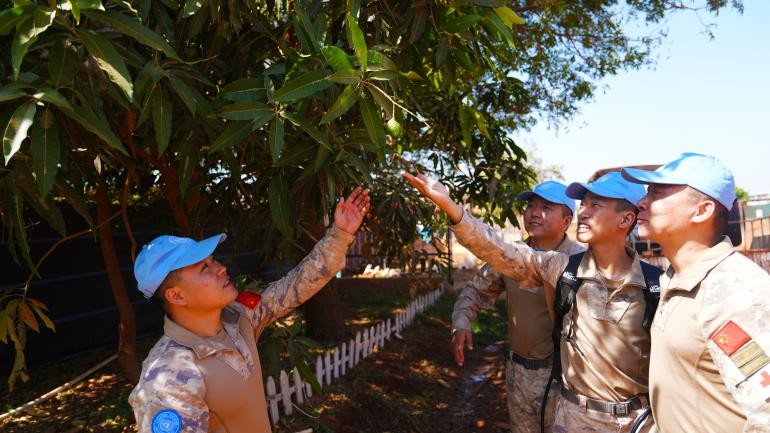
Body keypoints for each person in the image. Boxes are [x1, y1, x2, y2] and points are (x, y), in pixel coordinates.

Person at [403, 170, 656, 433]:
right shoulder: (560, 267)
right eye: (584, 204)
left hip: (617, 410)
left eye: (596, 205)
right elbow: (498, 252)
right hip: (559, 401)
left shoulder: (656, 285)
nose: (584, 212)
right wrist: (451, 207)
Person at [128, 188, 370, 433]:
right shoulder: (168, 377)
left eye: (213, 260)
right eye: (204, 268)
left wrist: (340, 234)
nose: (220, 268)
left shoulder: (239, 317)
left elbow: (295, 285)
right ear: (176, 296)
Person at [622, 152, 770, 433]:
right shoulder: (676, 278)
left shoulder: (734, 294)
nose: (641, 202)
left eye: (657, 194)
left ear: (702, 211)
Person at [451, 181, 585, 433]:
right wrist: (461, 320)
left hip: (563, 379)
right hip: (519, 373)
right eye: (531, 205)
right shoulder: (511, 256)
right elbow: (476, 290)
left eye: (546, 207)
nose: (534, 212)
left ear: (566, 221)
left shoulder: (580, 261)